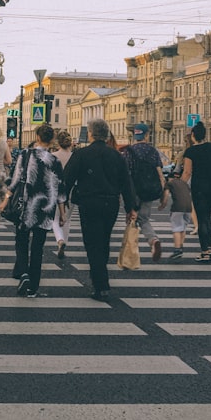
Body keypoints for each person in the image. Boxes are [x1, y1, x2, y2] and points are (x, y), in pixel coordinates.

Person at [62, 118, 136, 301]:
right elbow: (127, 183)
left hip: (89, 203)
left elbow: (67, 178)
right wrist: (130, 207)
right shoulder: (116, 156)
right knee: (104, 240)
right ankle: (100, 279)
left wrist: (62, 201)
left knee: (92, 243)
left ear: (91, 134)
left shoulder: (82, 154)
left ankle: (101, 285)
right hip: (111, 204)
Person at [1, 124, 65, 298]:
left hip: (26, 206)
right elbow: (60, 189)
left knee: (21, 241)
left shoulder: (25, 155)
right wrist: (62, 213)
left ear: (37, 137)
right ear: (52, 140)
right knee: (38, 247)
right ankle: (33, 288)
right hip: (46, 208)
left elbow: (14, 180)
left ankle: (24, 274)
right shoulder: (55, 161)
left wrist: (6, 199)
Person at [181, 121, 211, 262]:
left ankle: (205, 251)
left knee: (202, 218)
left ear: (193, 135)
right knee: (208, 218)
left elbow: (187, 172)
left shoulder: (191, 151)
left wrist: (179, 186)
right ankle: (209, 247)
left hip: (199, 188)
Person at [123, 122, 165, 262]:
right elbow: (160, 173)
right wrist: (163, 194)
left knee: (132, 218)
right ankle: (153, 240)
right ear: (147, 135)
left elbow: (125, 174)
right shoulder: (153, 151)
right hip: (148, 190)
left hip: (133, 191)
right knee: (144, 219)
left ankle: (130, 252)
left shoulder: (129, 151)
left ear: (135, 135)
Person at [50, 130, 74, 257]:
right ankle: (64, 242)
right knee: (67, 219)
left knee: (55, 219)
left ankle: (60, 240)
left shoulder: (53, 156)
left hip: (55, 190)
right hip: (70, 191)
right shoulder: (75, 156)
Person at [158, 171, 192, 261]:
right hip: (189, 208)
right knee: (183, 228)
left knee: (176, 228)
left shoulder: (169, 183)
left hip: (177, 207)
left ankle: (177, 250)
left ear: (170, 178)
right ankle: (180, 246)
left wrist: (162, 205)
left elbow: (165, 196)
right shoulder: (184, 183)